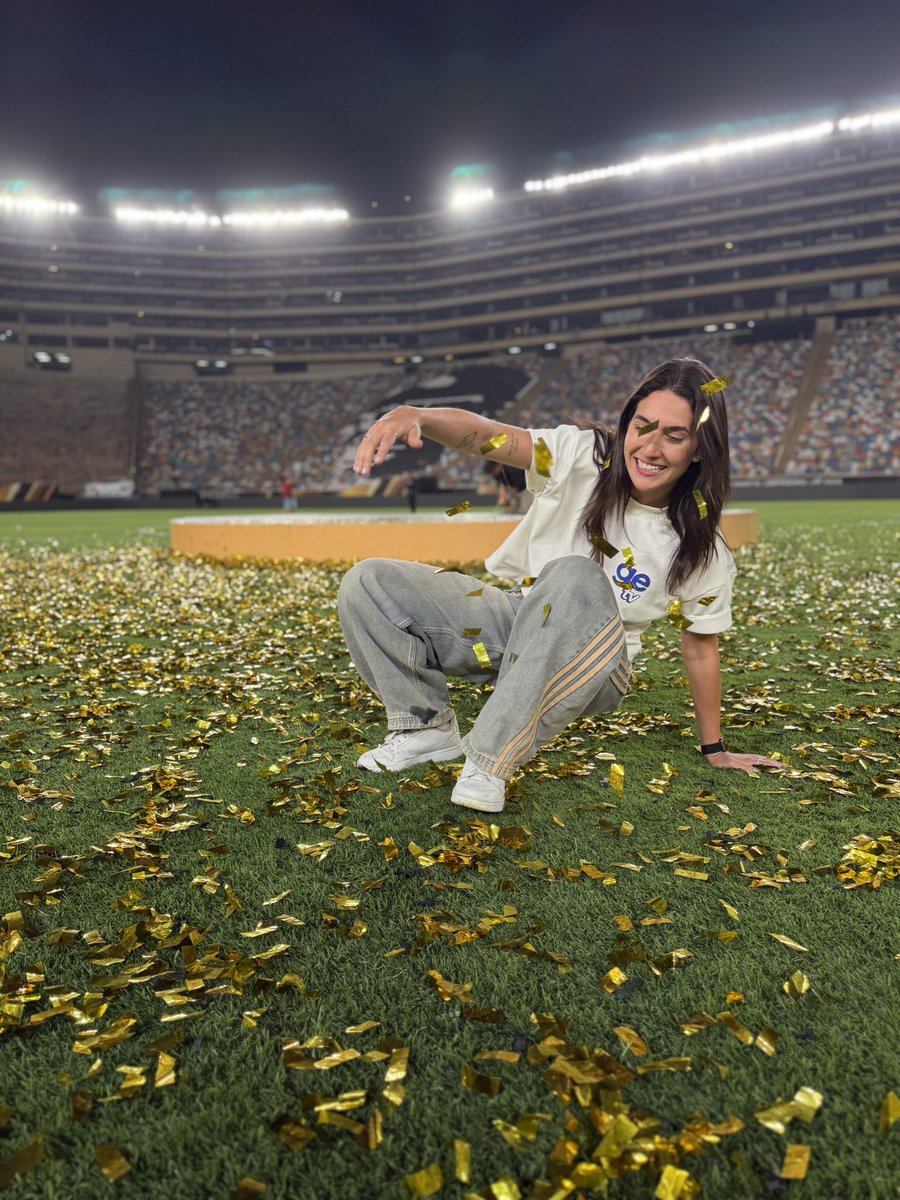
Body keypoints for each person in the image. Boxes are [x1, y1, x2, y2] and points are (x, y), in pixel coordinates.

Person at [338, 357, 781, 814]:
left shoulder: (698, 544)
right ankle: (424, 727)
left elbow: (700, 646)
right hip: (521, 616)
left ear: (699, 449)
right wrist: (420, 417)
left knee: (575, 573)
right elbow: (494, 436)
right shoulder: (579, 457)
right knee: (370, 582)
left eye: (674, 436)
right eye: (642, 427)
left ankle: (489, 760)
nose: (650, 448)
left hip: (600, 666)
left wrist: (715, 748)